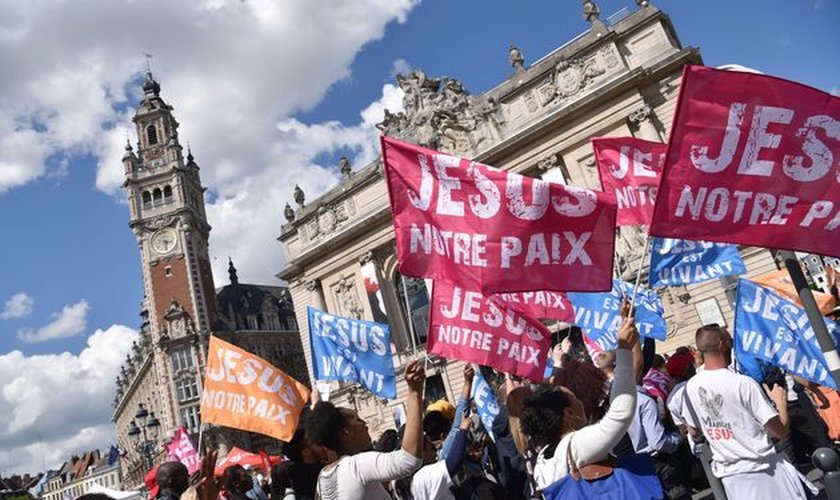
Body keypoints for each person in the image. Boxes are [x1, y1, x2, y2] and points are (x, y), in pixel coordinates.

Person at [682, 324, 815, 499]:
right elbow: (780, 431)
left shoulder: (691, 386)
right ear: (722, 344)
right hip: (764, 473)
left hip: (732, 478)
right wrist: (780, 403)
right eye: (730, 341)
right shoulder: (742, 383)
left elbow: (693, 430)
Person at [519, 316, 639, 489]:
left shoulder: (543, 460)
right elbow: (621, 412)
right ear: (569, 413)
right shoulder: (576, 445)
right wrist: (624, 348)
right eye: (575, 398)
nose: (580, 400)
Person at [306, 359, 425, 499]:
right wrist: (414, 393)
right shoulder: (356, 466)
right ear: (346, 432)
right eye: (357, 419)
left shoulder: (323, 477)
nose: (365, 423)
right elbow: (408, 460)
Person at [411, 418, 470, 500]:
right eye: (432, 448)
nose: (436, 451)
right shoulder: (424, 474)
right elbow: (455, 460)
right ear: (422, 453)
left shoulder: (413, 478)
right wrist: (463, 429)